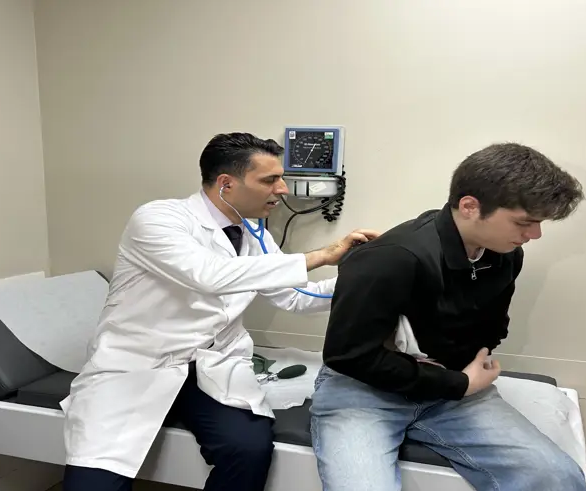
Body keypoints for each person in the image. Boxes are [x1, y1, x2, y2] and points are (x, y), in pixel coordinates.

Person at [59, 132, 379, 491]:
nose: (283, 189)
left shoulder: (254, 234)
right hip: (138, 364)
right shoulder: (159, 219)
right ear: (227, 184)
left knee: (249, 450)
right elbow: (210, 276)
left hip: (211, 366)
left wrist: (370, 280)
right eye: (270, 180)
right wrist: (322, 255)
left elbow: (296, 297)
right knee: (94, 481)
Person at [310, 142, 586, 491]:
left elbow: (493, 325)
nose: (534, 235)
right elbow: (348, 355)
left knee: (557, 478)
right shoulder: (391, 258)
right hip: (365, 392)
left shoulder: (505, 254)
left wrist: (464, 374)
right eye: (524, 222)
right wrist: (458, 384)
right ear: (470, 206)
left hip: (451, 391)